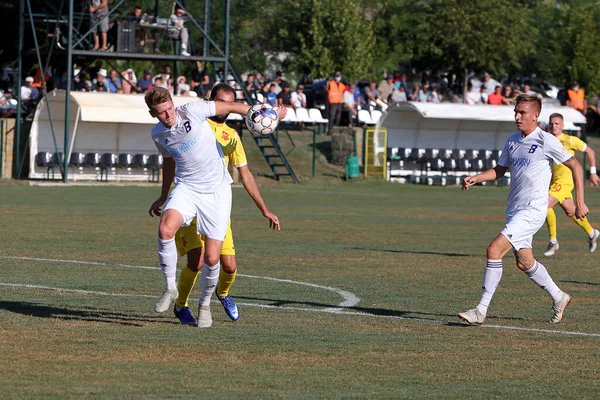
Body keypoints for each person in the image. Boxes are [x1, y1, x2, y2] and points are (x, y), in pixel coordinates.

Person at [146, 87, 285, 327]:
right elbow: (168, 163)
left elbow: (236, 109)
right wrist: (162, 196)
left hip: (216, 193)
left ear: (173, 104)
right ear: (153, 114)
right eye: (161, 112)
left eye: (169, 108)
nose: (168, 114)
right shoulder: (160, 132)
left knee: (214, 259)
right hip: (187, 187)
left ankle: (207, 304)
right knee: (170, 235)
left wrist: (267, 113)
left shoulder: (205, 119)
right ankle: (172, 292)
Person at [459, 94, 588, 326]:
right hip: (514, 209)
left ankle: (481, 310)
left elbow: (576, 166)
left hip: (533, 210)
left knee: (494, 250)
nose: (517, 116)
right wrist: (476, 178)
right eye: (516, 112)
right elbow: (499, 170)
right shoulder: (512, 141)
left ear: (535, 116)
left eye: (522, 113)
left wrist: (580, 201)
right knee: (524, 262)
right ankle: (559, 297)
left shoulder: (546, 140)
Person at [543, 113, 599, 256]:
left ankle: (553, 241)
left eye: (557, 123)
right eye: (551, 123)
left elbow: (590, 152)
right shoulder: (547, 140)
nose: (554, 126)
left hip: (566, 182)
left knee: (545, 204)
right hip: (555, 181)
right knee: (571, 211)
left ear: (562, 125)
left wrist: (593, 172)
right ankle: (592, 233)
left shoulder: (570, 140)